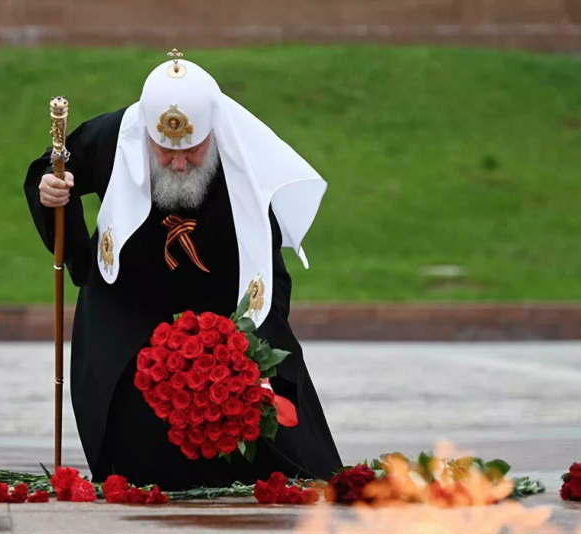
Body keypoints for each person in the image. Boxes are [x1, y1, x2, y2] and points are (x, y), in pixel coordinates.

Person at [23, 54, 343, 490]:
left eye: (192, 150)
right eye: (166, 150)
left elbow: (266, 265)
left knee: (287, 427)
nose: (178, 163)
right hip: (130, 303)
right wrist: (52, 191)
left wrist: (243, 343)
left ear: (212, 132)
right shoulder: (115, 134)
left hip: (226, 305)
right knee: (132, 430)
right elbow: (56, 166)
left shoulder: (242, 153)